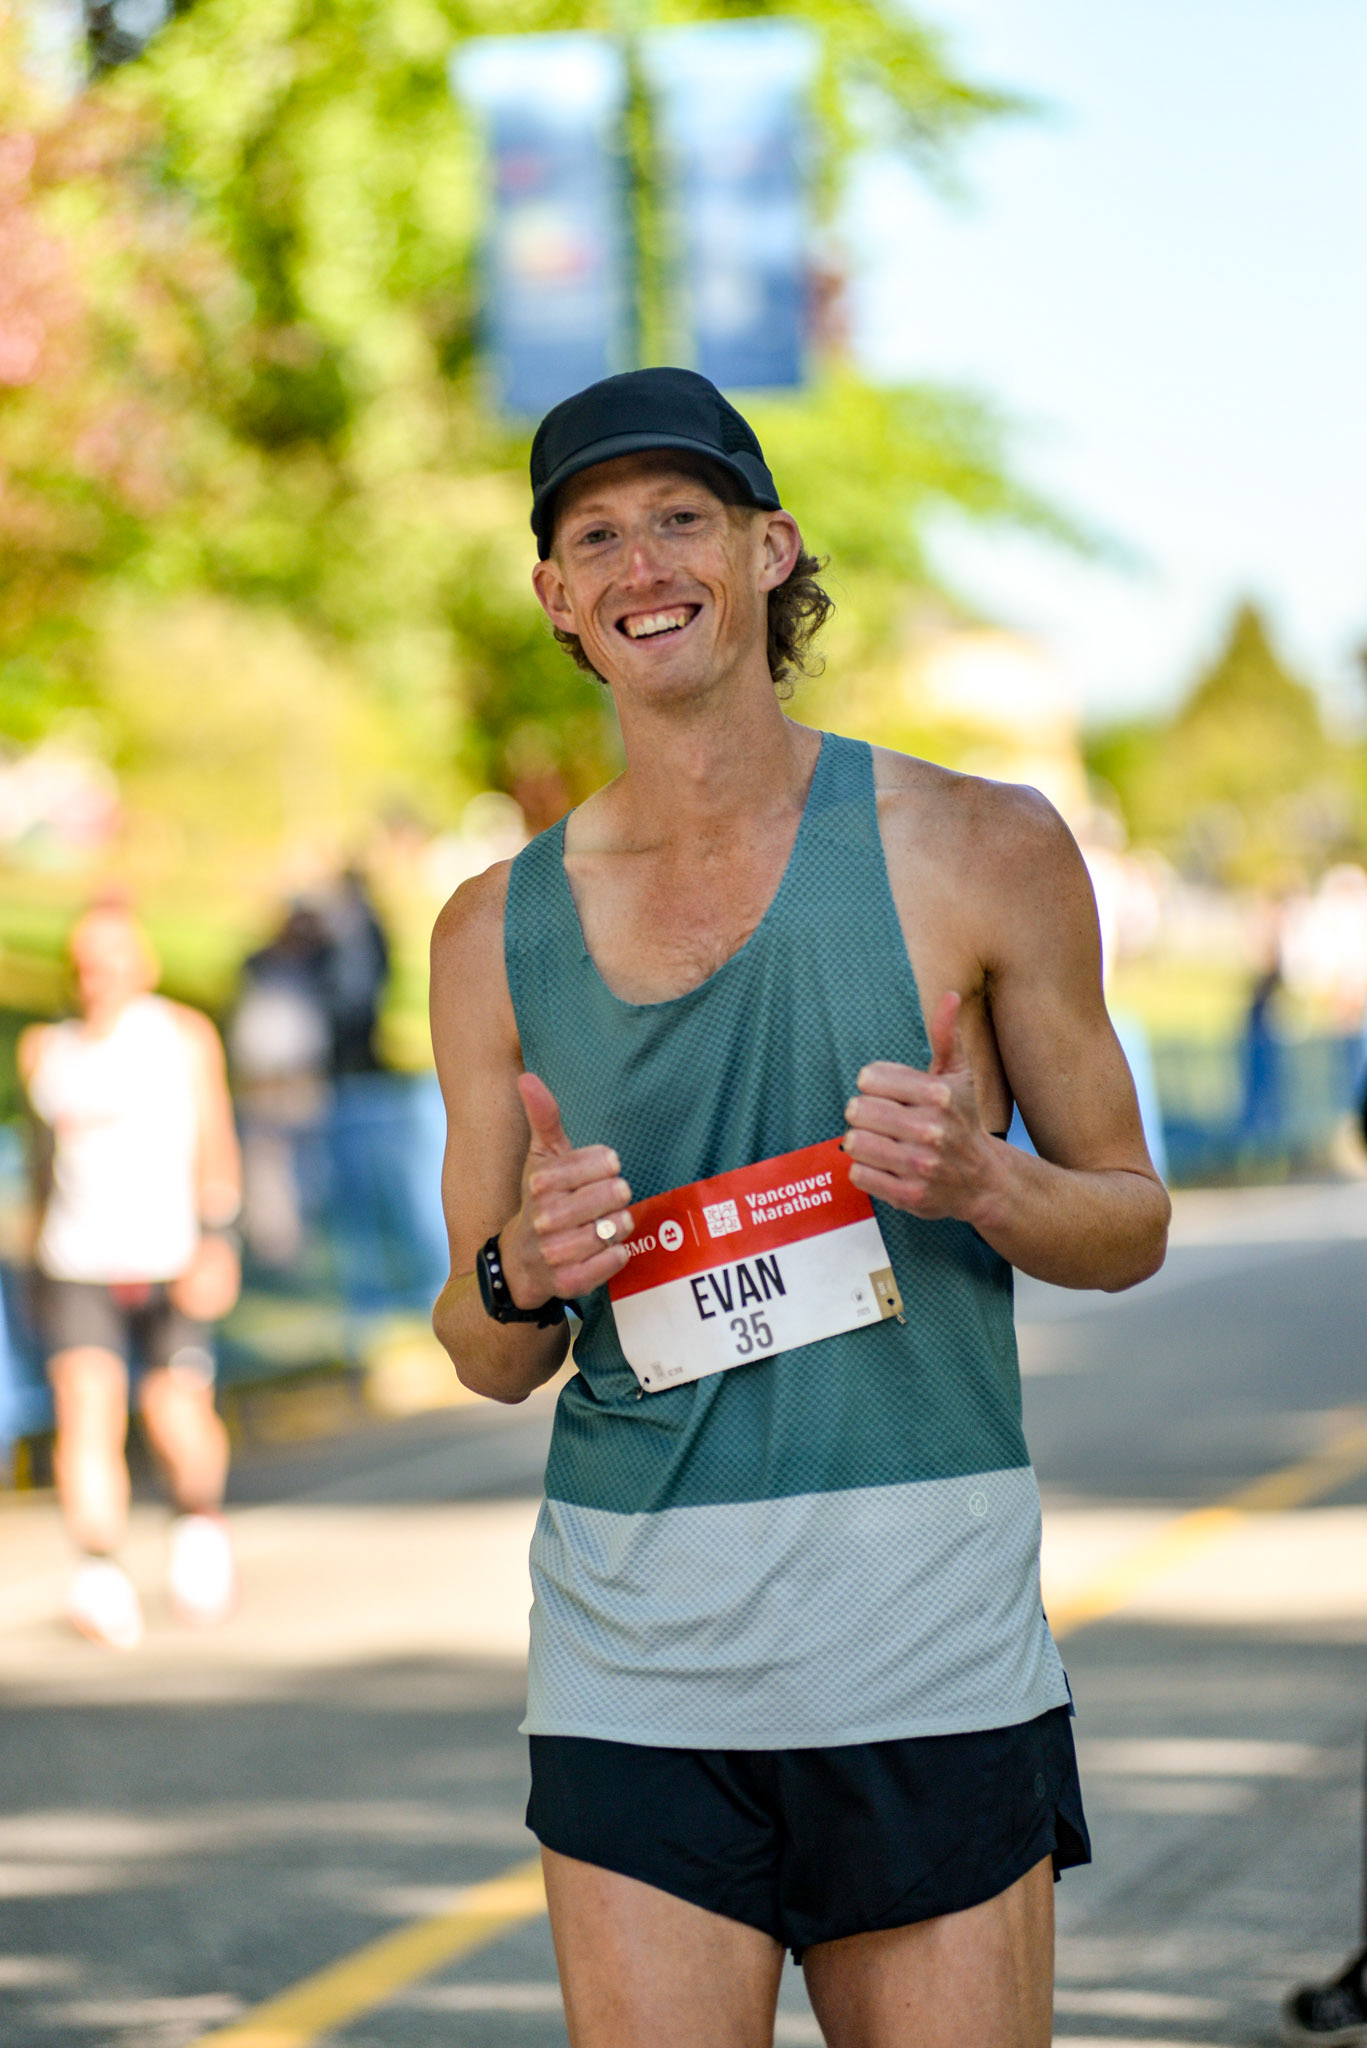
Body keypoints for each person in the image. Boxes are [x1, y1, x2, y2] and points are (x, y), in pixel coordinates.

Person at [429, 367, 1170, 2048]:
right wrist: (519, 1265)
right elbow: (478, 1348)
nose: (641, 563)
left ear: (769, 549)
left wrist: (980, 1180)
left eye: (681, 517)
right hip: (634, 1662)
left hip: (923, 1642)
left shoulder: (977, 844)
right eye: (594, 533)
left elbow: (1127, 1220)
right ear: (555, 595)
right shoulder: (488, 929)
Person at [19, 903, 242, 1650]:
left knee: (175, 1411)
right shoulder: (45, 1050)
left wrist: (217, 1239)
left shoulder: (180, 1037)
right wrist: (30, 1255)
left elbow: (216, 1141)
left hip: (169, 1256)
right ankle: (98, 1572)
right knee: (87, 1408)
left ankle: (198, 1527)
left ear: (141, 964)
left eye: (112, 960)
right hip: (76, 1260)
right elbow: (40, 1163)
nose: (98, 978)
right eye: (84, 964)